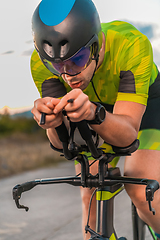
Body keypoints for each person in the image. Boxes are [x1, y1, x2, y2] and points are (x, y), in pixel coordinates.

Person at [30, 0, 160, 239]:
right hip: (89, 107)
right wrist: (52, 122)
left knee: (141, 186)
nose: (68, 75)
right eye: (57, 65)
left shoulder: (132, 45)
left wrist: (92, 113)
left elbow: (128, 135)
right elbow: (63, 144)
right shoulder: (40, 65)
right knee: (89, 189)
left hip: (145, 103)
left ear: (96, 46)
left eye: (77, 60)